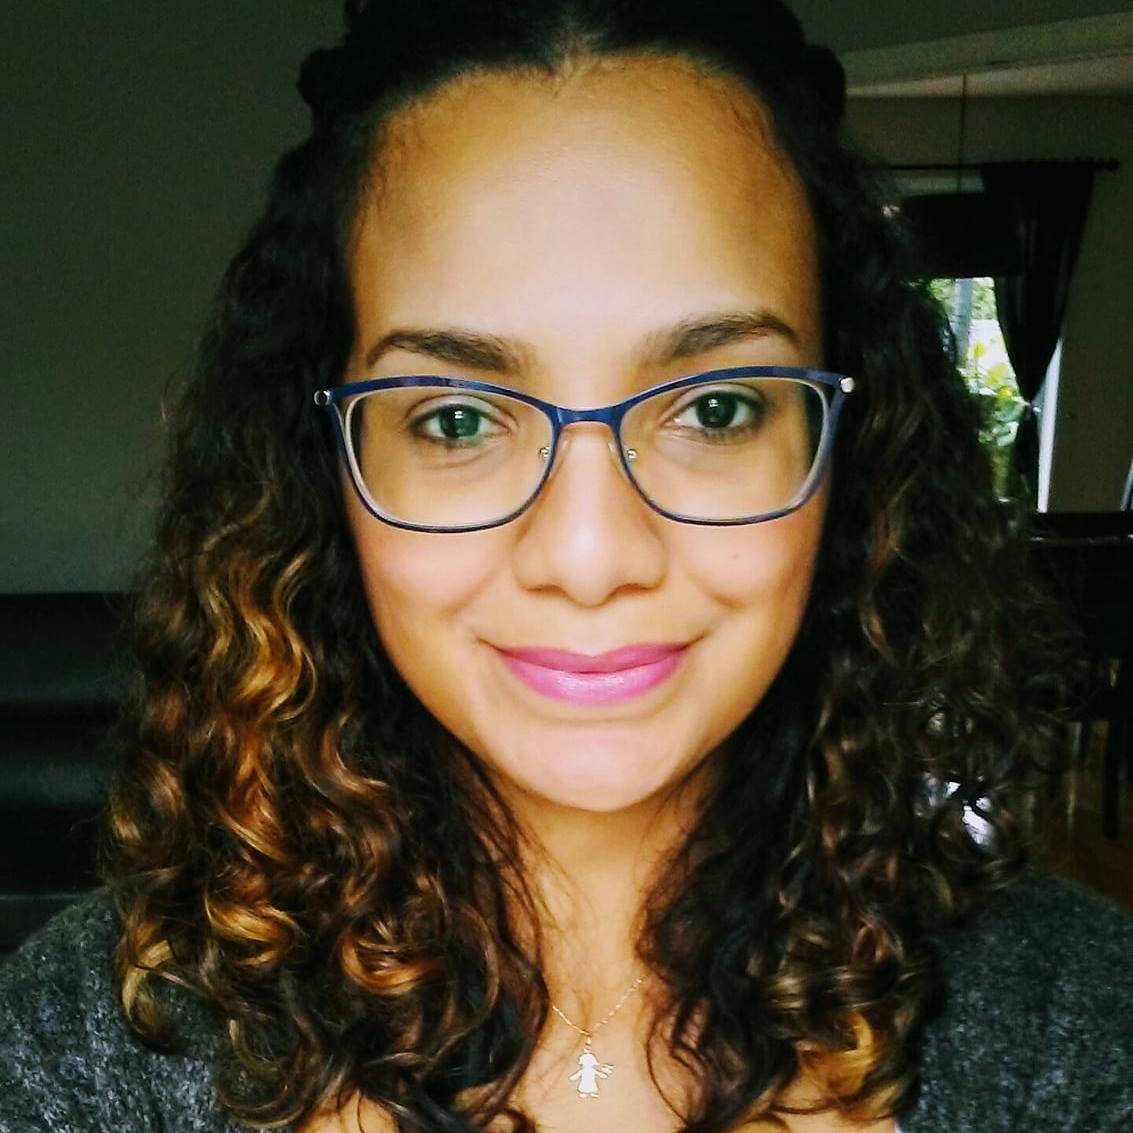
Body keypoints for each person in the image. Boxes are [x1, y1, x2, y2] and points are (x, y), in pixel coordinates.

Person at [2, 2, 1131, 1131]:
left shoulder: (1071, 1021)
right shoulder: (91, 1038)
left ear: (849, 451)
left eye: (716, 406)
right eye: (454, 417)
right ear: (322, 469)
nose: (589, 557)